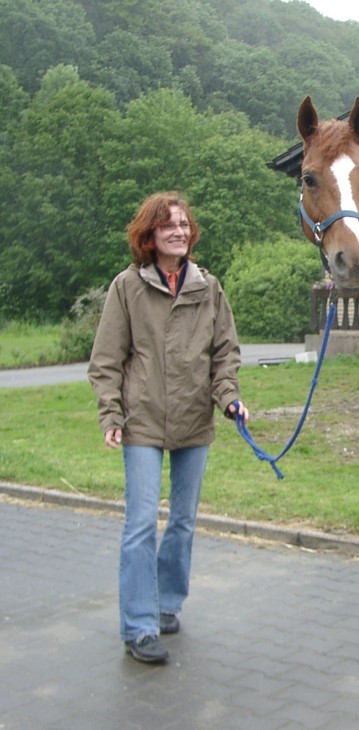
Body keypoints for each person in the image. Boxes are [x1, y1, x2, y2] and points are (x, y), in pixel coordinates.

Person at [88, 191, 249, 664]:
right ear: (149, 237)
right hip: (141, 421)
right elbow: (106, 360)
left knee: (182, 522)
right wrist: (111, 414)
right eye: (168, 226)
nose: (179, 231)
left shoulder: (208, 287)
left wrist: (230, 398)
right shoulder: (127, 287)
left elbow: (225, 354)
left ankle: (165, 604)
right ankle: (138, 626)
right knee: (140, 525)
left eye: (183, 224)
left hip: (193, 422)